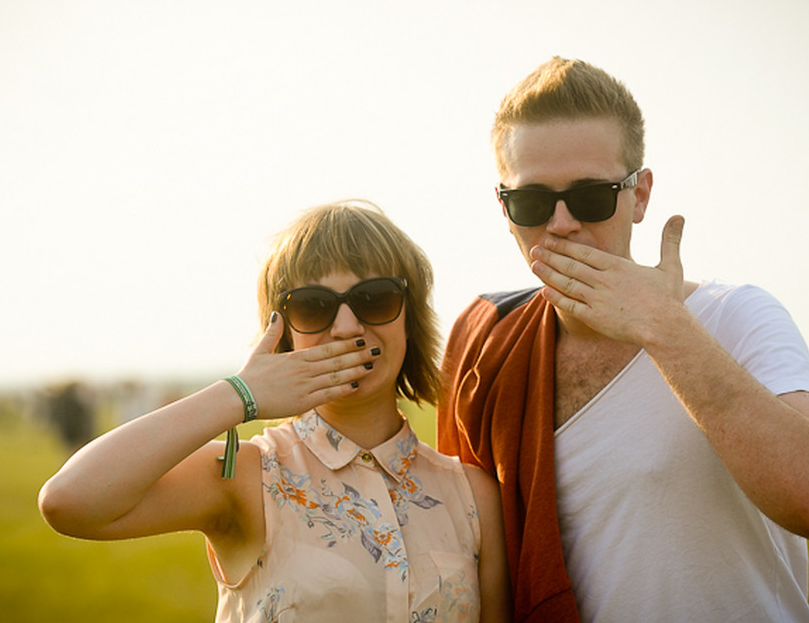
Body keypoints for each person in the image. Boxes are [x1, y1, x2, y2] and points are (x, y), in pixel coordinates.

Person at [437, 57, 809, 623]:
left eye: (590, 196)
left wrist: (664, 328)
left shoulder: (734, 315)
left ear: (639, 196)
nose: (561, 224)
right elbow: (460, 545)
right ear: (505, 211)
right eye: (533, 202)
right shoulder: (488, 342)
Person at [40, 201, 511, 623]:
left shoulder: (472, 495)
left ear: (411, 317)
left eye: (375, 298)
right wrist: (240, 395)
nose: (347, 327)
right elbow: (70, 501)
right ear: (284, 335)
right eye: (313, 307)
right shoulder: (245, 475)